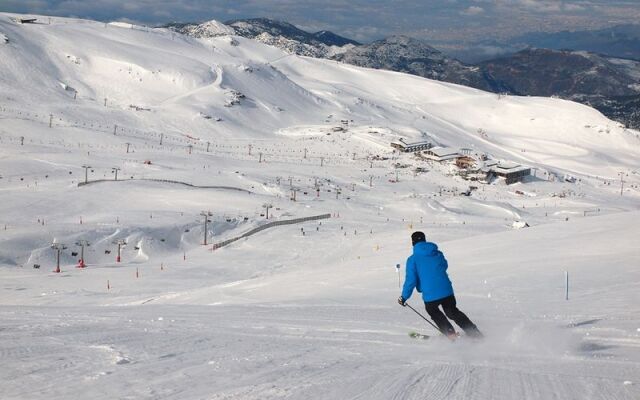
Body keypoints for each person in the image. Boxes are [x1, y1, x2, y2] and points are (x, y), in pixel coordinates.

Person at [398, 231, 482, 338]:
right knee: (452, 312)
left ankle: (450, 333)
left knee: (433, 310)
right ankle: (474, 332)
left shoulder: (412, 259)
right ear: (424, 239)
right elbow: (444, 265)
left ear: (413, 242)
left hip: (430, 293)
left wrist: (404, 297)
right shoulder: (437, 253)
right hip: (447, 290)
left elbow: (411, 280)